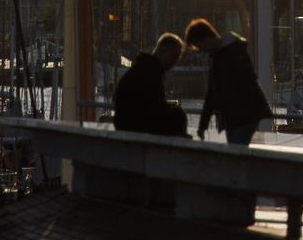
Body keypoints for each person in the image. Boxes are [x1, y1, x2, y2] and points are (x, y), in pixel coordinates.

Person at [185, 18, 273, 147]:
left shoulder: (233, 50)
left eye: (200, 46)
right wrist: (202, 125)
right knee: (235, 150)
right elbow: (212, 93)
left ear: (206, 38)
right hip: (234, 117)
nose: (203, 51)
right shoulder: (219, 56)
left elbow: (247, 78)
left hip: (244, 115)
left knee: (236, 150)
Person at [112, 33, 190, 135]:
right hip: (133, 125)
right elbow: (154, 106)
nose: (175, 63)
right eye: (173, 57)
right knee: (178, 115)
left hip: (126, 123)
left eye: (177, 59)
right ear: (162, 52)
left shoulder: (144, 68)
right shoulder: (151, 72)